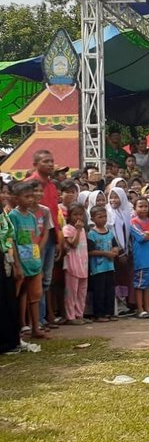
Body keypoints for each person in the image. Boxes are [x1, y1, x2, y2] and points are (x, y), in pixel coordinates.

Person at [27, 150, 60, 334]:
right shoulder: (28, 185)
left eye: (52, 161)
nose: (50, 164)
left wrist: (59, 238)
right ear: (35, 164)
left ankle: (42, 319)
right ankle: (35, 321)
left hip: (50, 236)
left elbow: (54, 215)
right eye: (46, 161)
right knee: (35, 278)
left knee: (46, 279)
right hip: (33, 240)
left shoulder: (53, 186)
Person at [9, 182, 46, 338]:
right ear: (17, 199)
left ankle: (35, 328)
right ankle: (16, 329)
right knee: (16, 297)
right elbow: (13, 241)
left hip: (33, 262)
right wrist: (17, 265)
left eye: (32, 196)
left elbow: (34, 240)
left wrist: (38, 261)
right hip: (20, 263)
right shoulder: (13, 216)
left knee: (35, 296)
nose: (31, 199)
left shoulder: (32, 217)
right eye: (27, 197)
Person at [87, 206, 119, 322]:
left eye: (105, 216)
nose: (103, 219)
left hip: (109, 266)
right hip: (98, 268)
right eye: (100, 217)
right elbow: (90, 251)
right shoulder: (91, 234)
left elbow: (115, 245)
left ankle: (109, 312)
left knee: (109, 290)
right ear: (93, 218)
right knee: (99, 291)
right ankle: (99, 314)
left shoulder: (109, 232)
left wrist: (115, 250)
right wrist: (106, 253)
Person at [106, 186, 134, 312]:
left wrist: (126, 250)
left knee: (124, 277)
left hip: (126, 251)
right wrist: (120, 251)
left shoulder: (127, 212)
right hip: (115, 251)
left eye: (116, 197)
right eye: (111, 197)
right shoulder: (108, 212)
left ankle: (124, 303)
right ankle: (116, 305)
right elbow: (112, 233)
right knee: (115, 278)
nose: (113, 200)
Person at [62, 203, 89, 325]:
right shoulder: (68, 228)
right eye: (75, 214)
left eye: (80, 214)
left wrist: (80, 229)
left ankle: (79, 314)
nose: (78, 217)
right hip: (72, 264)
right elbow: (73, 244)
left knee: (82, 291)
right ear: (69, 215)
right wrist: (77, 230)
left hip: (83, 264)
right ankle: (70, 316)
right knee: (72, 292)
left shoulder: (83, 228)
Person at [0, 180, 19, 352]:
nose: (4, 195)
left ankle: (9, 341)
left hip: (5, 258)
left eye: (6, 191)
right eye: (2, 192)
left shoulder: (3, 213)